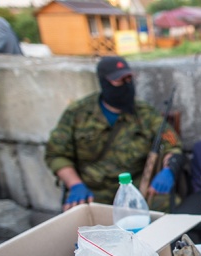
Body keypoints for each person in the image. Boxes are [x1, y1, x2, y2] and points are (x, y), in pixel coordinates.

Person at [45, 56, 185, 212]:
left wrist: (168, 170)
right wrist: (75, 184)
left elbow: (172, 144)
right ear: (104, 82)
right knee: (75, 222)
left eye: (129, 79)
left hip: (136, 188)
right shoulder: (78, 113)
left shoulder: (145, 113)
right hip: (93, 191)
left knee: (168, 211)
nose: (126, 85)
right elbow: (56, 153)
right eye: (119, 80)